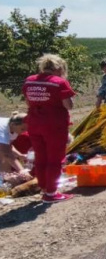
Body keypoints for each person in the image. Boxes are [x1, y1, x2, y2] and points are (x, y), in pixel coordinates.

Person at [23, 54, 75, 203]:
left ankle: (44, 188)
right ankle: (52, 193)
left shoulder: (29, 81)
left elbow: (28, 102)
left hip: (34, 124)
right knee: (55, 159)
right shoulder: (59, 82)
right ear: (58, 68)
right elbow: (68, 105)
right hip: (54, 125)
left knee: (41, 157)